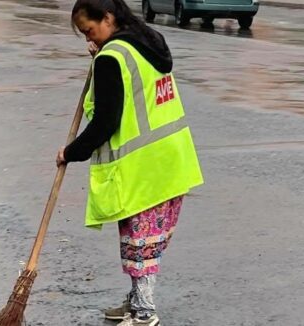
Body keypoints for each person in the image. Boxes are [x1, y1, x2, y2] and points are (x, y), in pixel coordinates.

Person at [56, 0, 204, 324]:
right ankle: (138, 299)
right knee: (147, 242)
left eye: (89, 31)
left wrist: (70, 152)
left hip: (143, 168)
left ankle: (144, 312)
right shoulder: (148, 41)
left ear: (107, 17)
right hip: (171, 160)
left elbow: (105, 123)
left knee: (140, 245)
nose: (89, 40)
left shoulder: (112, 58)